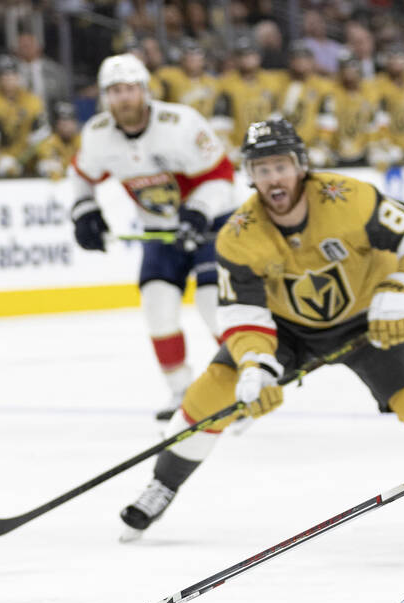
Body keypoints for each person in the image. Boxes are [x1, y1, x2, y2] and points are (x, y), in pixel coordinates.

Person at [118, 119, 404, 541]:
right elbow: (245, 313)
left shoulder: (350, 198)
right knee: (210, 393)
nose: (272, 178)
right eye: (261, 170)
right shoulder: (238, 235)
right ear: (250, 175)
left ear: (301, 165)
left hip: (371, 319)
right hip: (287, 330)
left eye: (280, 166)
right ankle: (163, 485)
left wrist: (399, 290)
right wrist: (255, 365)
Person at [69, 54, 235, 421]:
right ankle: (181, 394)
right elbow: (80, 173)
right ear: (104, 97)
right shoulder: (97, 135)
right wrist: (85, 210)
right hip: (159, 230)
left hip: (213, 222)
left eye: (129, 89)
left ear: (144, 91)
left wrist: (199, 211)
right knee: (157, 307)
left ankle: (242, 386)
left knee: (213, 305)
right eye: (114, 91)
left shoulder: (180, 123)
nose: (123, 98)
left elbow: (223, 173)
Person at [0, 56, 50, 177]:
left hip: (24, 155)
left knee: (48, 165)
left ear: (19, 77)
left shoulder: (32, 100)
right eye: (4, 75)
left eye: (12, 74)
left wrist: (23, 159)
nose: (9, 79)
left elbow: (41, 136)